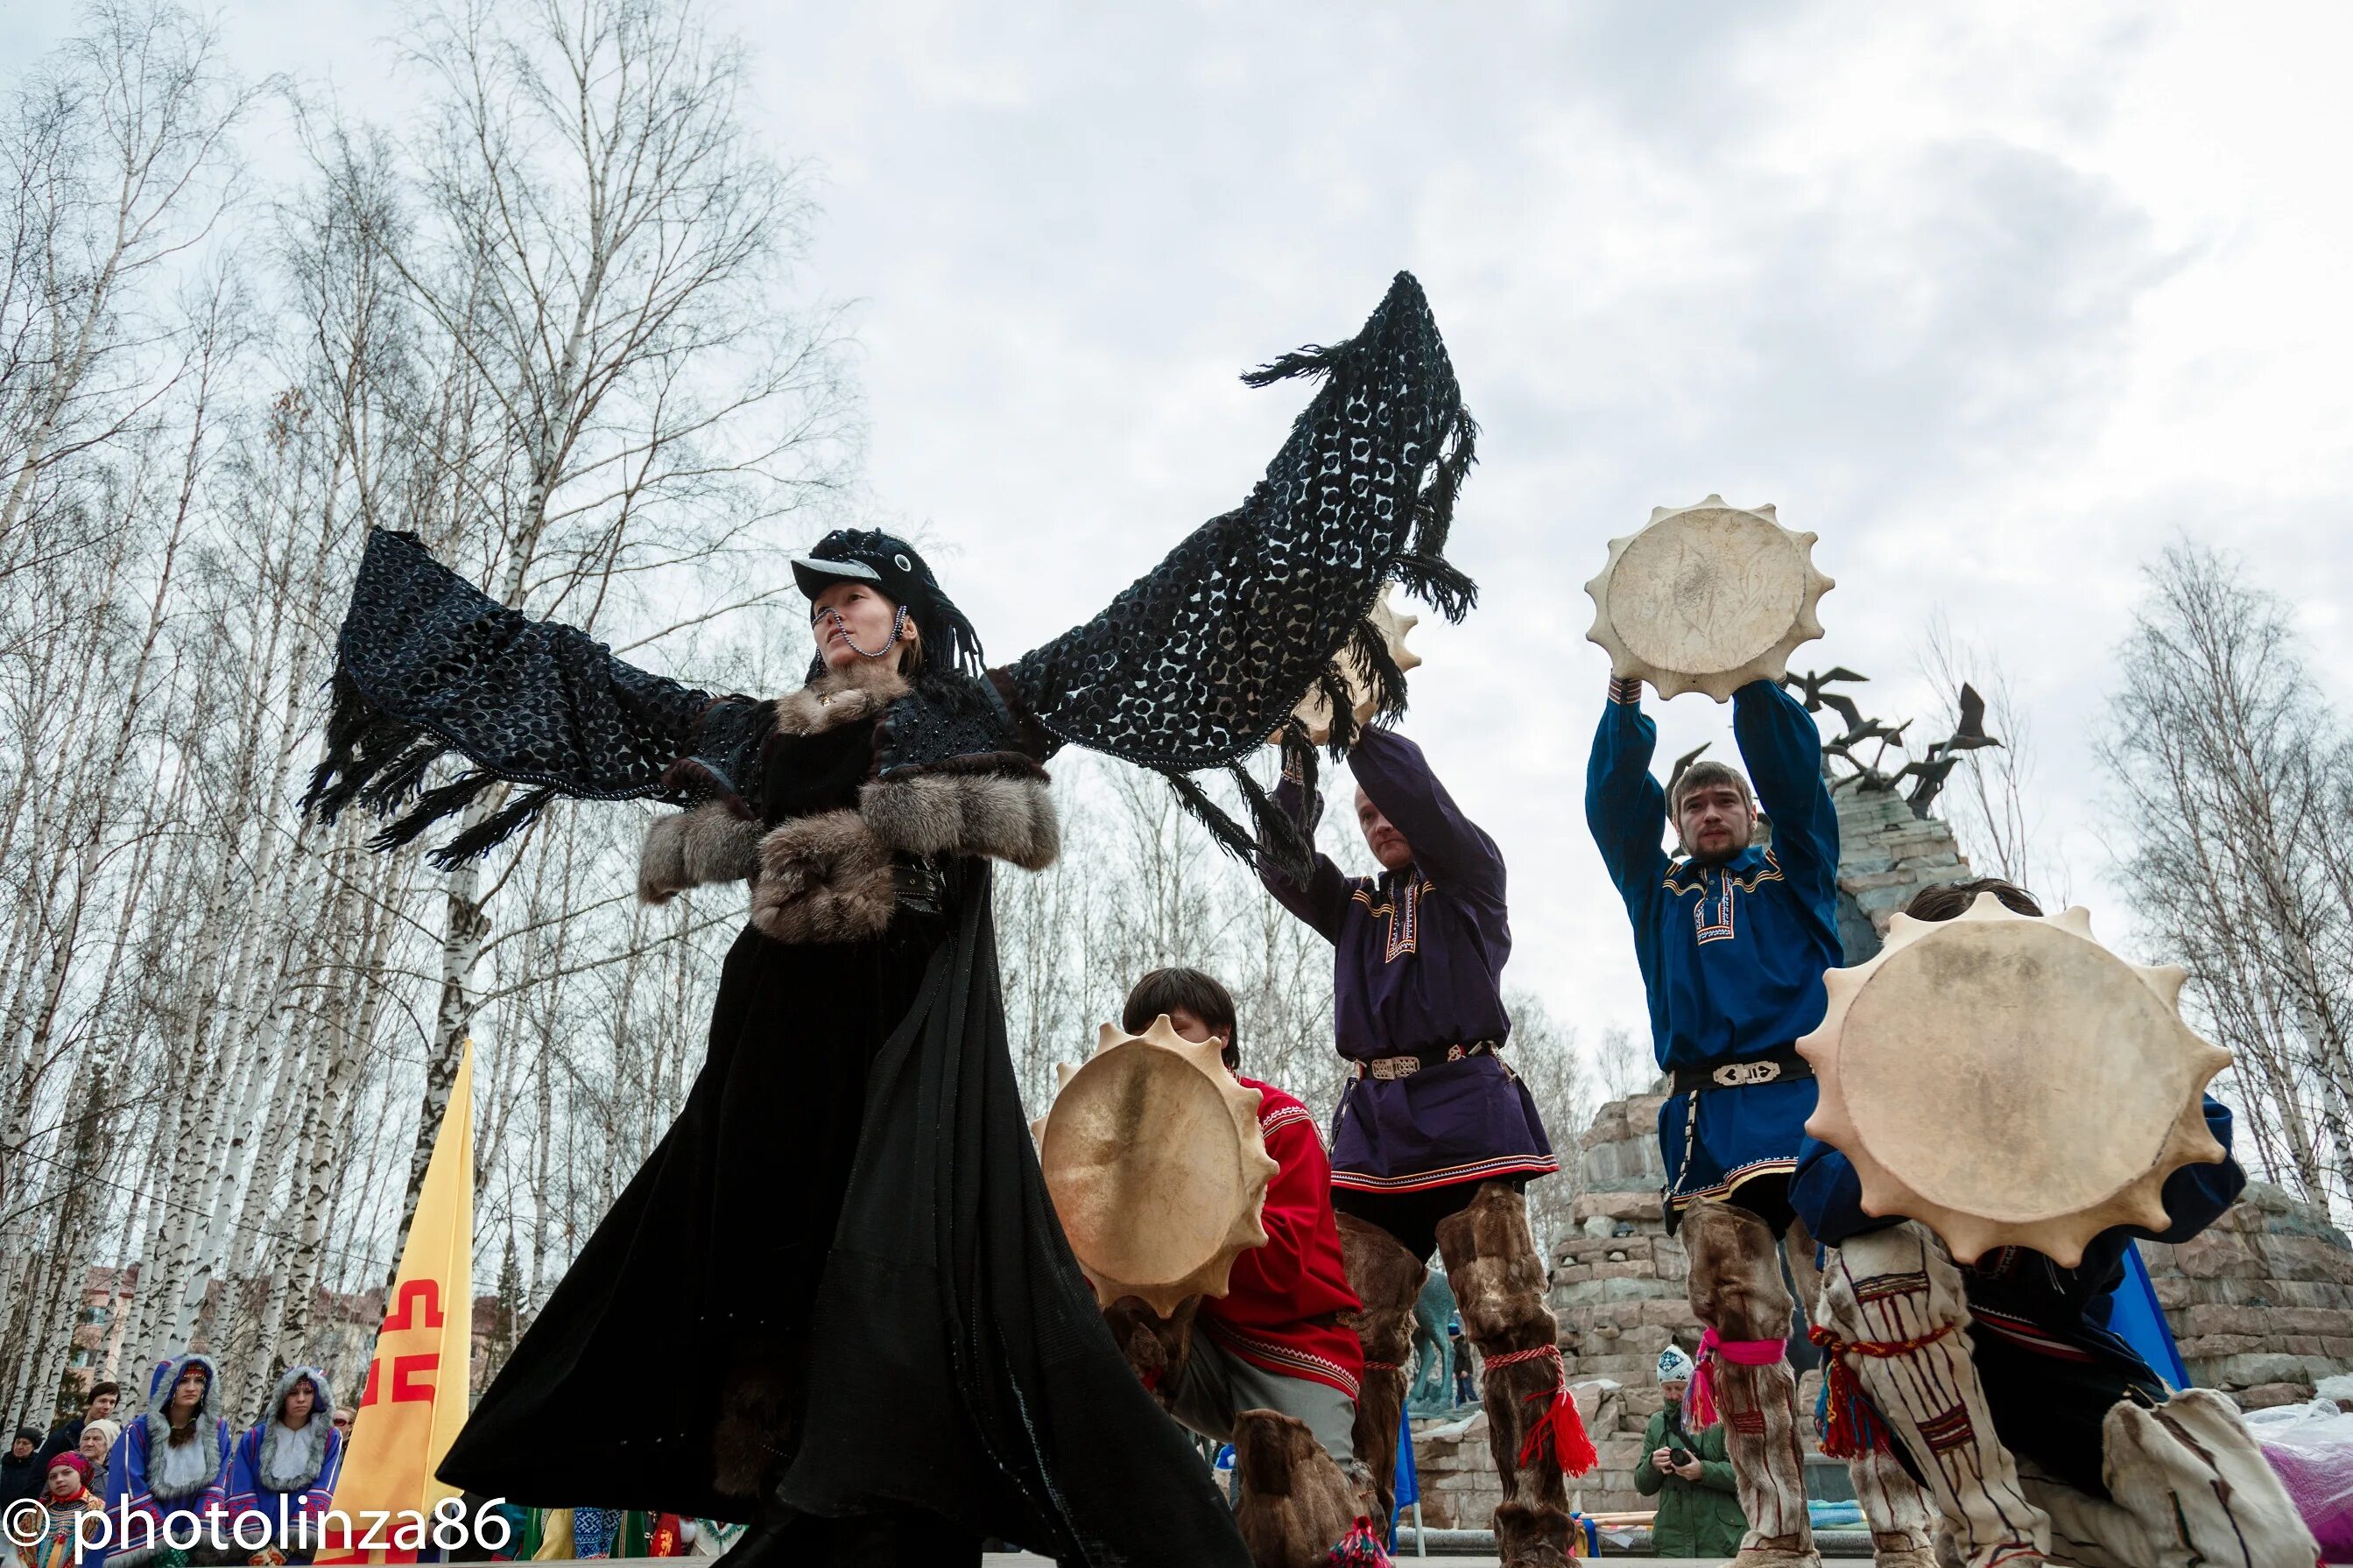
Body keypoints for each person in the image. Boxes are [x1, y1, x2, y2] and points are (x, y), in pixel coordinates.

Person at [310, 272, 1480, 1568]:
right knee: (761, 1272)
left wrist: (1341, 466)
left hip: (904, 1050)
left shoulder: (975, 714)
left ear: (907, 620)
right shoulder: (748, 731)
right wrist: (429, 623)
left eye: (853, 595)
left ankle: (949, 1506)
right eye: (817, 601)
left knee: (903, 1271)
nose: (828, 612)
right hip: (771, 1047)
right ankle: (804, 1490)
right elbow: (589, 691)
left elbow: (1162, 617)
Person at [1793, 877, 2317, 1568]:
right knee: (1876, 1256)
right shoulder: (1869, 1073)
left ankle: (2019, 1514)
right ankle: (1992, 1534)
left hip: (2062, 1359)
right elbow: (1822, 1199)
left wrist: (2087, 1070)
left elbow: (2203, 1180)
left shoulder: (2097, 1059)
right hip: (1928, 1363)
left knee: (2262, 1549)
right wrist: (1954, 1100)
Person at [1586, 672, 1936, 1568]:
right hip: (1709, 1119)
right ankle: (1776, 1528)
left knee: (1868, 1308)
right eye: (1692, 803)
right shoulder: (1654, 893)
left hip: (1813, 1106)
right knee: (1737, 1330)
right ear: (1674, 823)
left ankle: (1900, 1524)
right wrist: (1624, 702)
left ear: (1749, 811)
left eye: (1723, 798)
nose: (1708, 812)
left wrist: (1748, 678)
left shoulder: (1795, 868)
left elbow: (1794, 776)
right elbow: (1608, 808)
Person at [1259, 722, 1581, 1568]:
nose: (1378, 822)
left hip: (1470, 1114)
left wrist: (1352, 717)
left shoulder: (1470, 877)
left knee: (1508, 1324)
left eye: (1388, 806)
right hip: (1372, 1132)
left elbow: (1422, 801)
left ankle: (1539, 1532)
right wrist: (1298, 755)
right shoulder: (1357, 907)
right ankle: (1357, 1526)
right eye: (1363, 813)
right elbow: (1284, 862)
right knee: (1358, 1338)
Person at [1111, 967, 1377, 1560]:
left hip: (1295, 1346)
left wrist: (1178, 1191)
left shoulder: (1282, 1121)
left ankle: (1344, 1493)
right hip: (1195, 1347)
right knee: (1098, 1327)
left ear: (1222, 1034)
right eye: (1140, 1036)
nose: (1155, 1046)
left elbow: (1277, 1264)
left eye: (1175, 1028)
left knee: (1302, 1519)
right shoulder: (1132, 1140)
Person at [107, 1353, 231, 1568]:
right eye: (183, 1380)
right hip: (145, 1543)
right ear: (166, 1385)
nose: (192, 1387)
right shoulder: (137, 1431)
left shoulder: (216, 1430)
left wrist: (195, 1538)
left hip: (193, 1536)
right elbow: (128, 1487)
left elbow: (217, 1483)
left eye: (198, 1381)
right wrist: (161, 1544)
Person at [1632, 1345, 1744, 1559]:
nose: (1673, 1395)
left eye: (1680, 1388)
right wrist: (1653, 1465)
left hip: (1719, 1538)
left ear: (1691, 1383)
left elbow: (1741, 1475)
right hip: (1672, 1540)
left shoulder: (1718, 1419)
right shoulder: (1657, 1424)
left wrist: (1702, 1471)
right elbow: (1642, 1485)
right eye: (1667, 1388)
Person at [224, 1368, 342, 1563]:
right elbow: (239, 1487)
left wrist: (286, 1547)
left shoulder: (329, 1439)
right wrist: (253, 1541)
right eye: (293, 1393)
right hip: (252, 1542)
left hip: (299, 1548)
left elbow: (325, 1489)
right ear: (282, 1396)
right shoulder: (254, 1438)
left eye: (308, 1392)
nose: (301, 1399)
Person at [16, 1454, 104, 1568]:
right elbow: (17, 1553)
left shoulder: (99, 1510)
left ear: (81, 1474)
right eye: (52, 1477)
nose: (59, 1479)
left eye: (67, 1473)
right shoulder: (36, 1513)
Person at [36, 1384, 118, 1472]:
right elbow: (37, 1478)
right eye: (102, 1401)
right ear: (90, 1403)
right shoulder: (62, 1438)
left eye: (112, 1402)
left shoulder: (115, 1441)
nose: (107, 1407)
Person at [1, 1426, 44, 1506]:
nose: (20, 1447)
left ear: (33, 1447)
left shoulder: (38, 1468)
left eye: (25, 1443)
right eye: (17, 1442)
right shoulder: (3, 1465)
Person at [72, 1424, 113, 1500]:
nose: (89, 1444)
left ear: (108, 1444)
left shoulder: (118, 1470)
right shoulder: (66, 1465)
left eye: (96, 1439)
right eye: (86, 1439)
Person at [1448, 1322, 1473, 1408]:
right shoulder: (1456, 1344)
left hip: (1464, 1371)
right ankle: (1459, 1408)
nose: (1449, 1337)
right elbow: (1457, 1360)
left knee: (1468, 1390)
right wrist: (1456, 1372)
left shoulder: (1462, 1343)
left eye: (1449, 1335)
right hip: (1459, 1372)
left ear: (1453, 1335)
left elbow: (1467, 1357)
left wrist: (1465, 1370)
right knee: (1461, 1392)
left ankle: (1477, 1405)